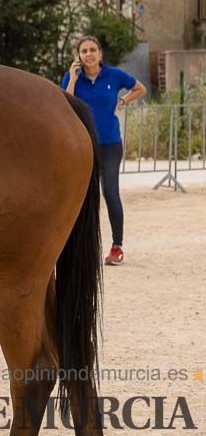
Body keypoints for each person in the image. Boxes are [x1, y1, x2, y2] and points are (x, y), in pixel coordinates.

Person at [61, 35, 147, 266]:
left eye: (92, 50)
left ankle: (116, 247)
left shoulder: (114, 75)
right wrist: (72, 77)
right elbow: (65, 101)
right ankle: (80, 250)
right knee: (83, 198)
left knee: (110, 193)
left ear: (100, 53)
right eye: (84, 51)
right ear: (78, 56)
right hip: (83, 146)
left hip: (110, 144)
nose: (88, 54)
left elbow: (140, 88)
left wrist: (124, 101)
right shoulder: (73, 78)